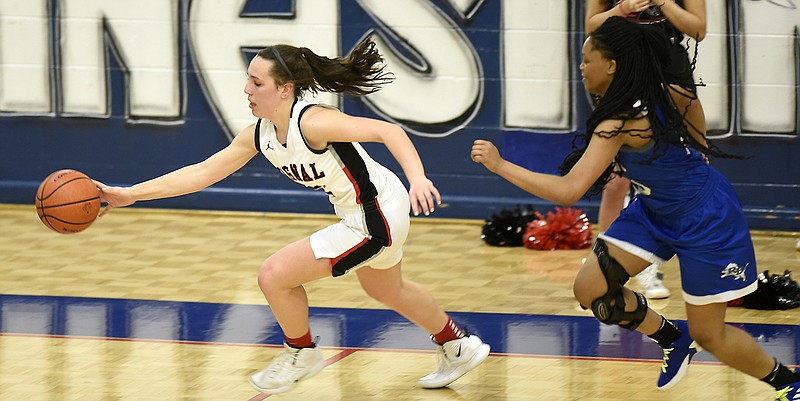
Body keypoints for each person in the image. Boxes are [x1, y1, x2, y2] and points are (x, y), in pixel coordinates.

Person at [94, 38, 490, 394]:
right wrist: (129, 194)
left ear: (285, 89)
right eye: (247, 80)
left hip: (375, 216)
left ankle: (301, 353)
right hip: (377, 209)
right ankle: (458, 346)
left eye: (257, 82)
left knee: (274, 275)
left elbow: (389, 131)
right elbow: (201, 172)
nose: (246, 89)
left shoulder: (314, 122)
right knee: (386, 289)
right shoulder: (260, 133)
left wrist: (418, 178)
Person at [471, 17, 800, 399]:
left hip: (705, 217)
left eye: (585, 60)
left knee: (711, 334)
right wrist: (698, 147)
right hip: (655, 209)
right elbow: (690, 101)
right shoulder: (658, 92)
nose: (581, 68)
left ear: (611, 65)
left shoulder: (620, 122)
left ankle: (788, 384)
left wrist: (499, 165)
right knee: (591, 288)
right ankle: (671, 338)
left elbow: (568, 191)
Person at [585, 0, 709, 300]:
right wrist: (621, 9)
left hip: (668, 65)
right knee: (616, 177)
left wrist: (664, 3)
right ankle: (609, 259)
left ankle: (659, 261)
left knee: (681, 164)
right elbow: (591, 25)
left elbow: (698, 29)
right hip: (622, 66)